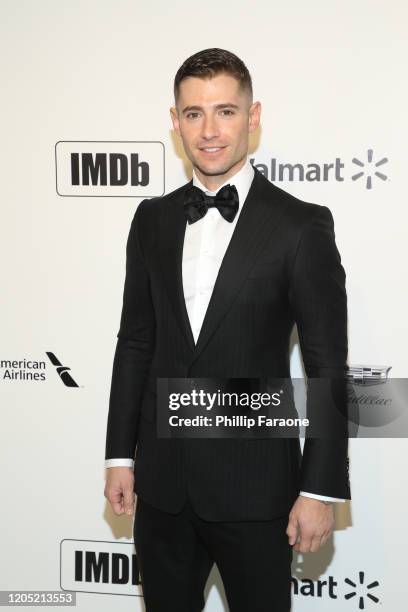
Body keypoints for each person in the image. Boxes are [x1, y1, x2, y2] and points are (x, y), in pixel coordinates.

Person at [104, 48, 350, 612]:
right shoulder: (152, 219)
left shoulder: (300, 225)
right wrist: (120, 455)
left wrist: (318, 490)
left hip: (257, 492)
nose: (209, 130)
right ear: (175, 122)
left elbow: (328, 367)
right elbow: (135, 341)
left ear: (253, 116)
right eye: (193, 114)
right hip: (163, 490)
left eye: (225, 112)